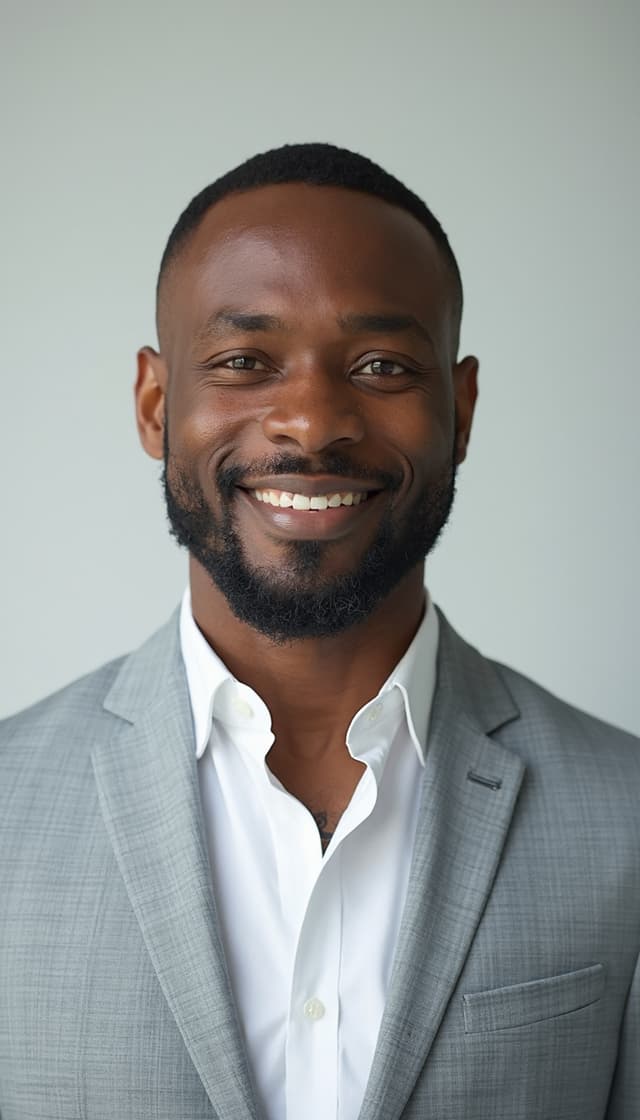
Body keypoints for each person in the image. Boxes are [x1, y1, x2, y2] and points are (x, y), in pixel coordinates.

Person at [0, 143, 637, 1120]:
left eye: (381, 364)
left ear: (459, 410)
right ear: (154, 401)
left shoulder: (623, 817)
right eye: (244, 360)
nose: (309, 420)